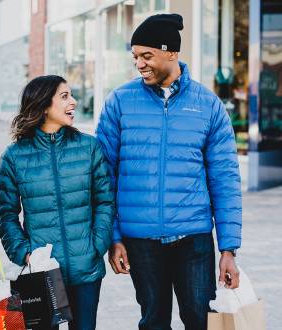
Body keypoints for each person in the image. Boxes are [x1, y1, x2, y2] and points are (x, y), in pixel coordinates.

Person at [96, 14, 242, 330]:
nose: (139, 64)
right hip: (140, 239)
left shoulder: (208, 105)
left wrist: (228, 249)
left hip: (194, 239)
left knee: (201, 320)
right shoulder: (119, 102)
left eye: (147, 55)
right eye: (135, 56)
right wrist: (114, 237)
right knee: (153, 322)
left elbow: (225, 178)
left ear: (172, 53)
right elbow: (103, 175)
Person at [0, 75, 114, 330]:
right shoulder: (14, 157)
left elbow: (105, 201)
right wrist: (24, 253)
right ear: (43, 105)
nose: (73, 101)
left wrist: (97, 245)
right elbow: (5, 213)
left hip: (86, 270)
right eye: (64, 96)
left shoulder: (89, 147)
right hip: (40, 272)